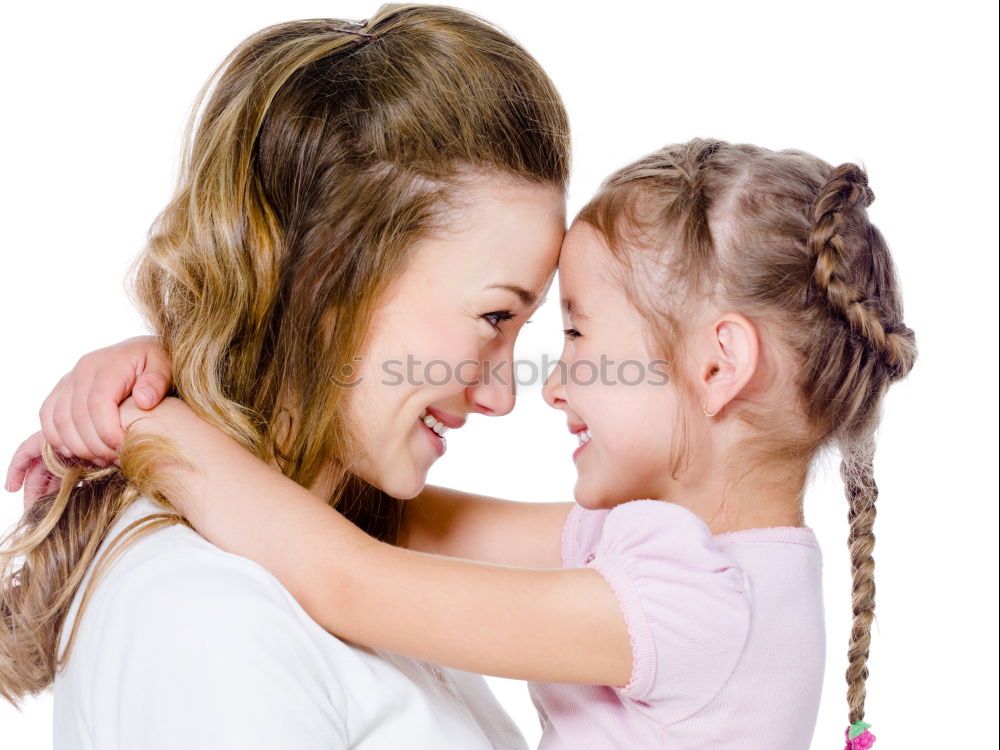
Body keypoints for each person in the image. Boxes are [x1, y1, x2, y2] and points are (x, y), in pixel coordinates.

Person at [12, 139, 918, 748]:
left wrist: (147, 424)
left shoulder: (703, 605)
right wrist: (190, 367)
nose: (548, 384)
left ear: (719, 367)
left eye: (577, 335)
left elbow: (351, 577)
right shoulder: (696, 557)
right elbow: (395, 524)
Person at [0, 6, 571, 748]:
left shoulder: (352, 560)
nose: (501, 395)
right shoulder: (209, 614)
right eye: (495, 317)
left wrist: (161, 417)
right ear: (331, 282)